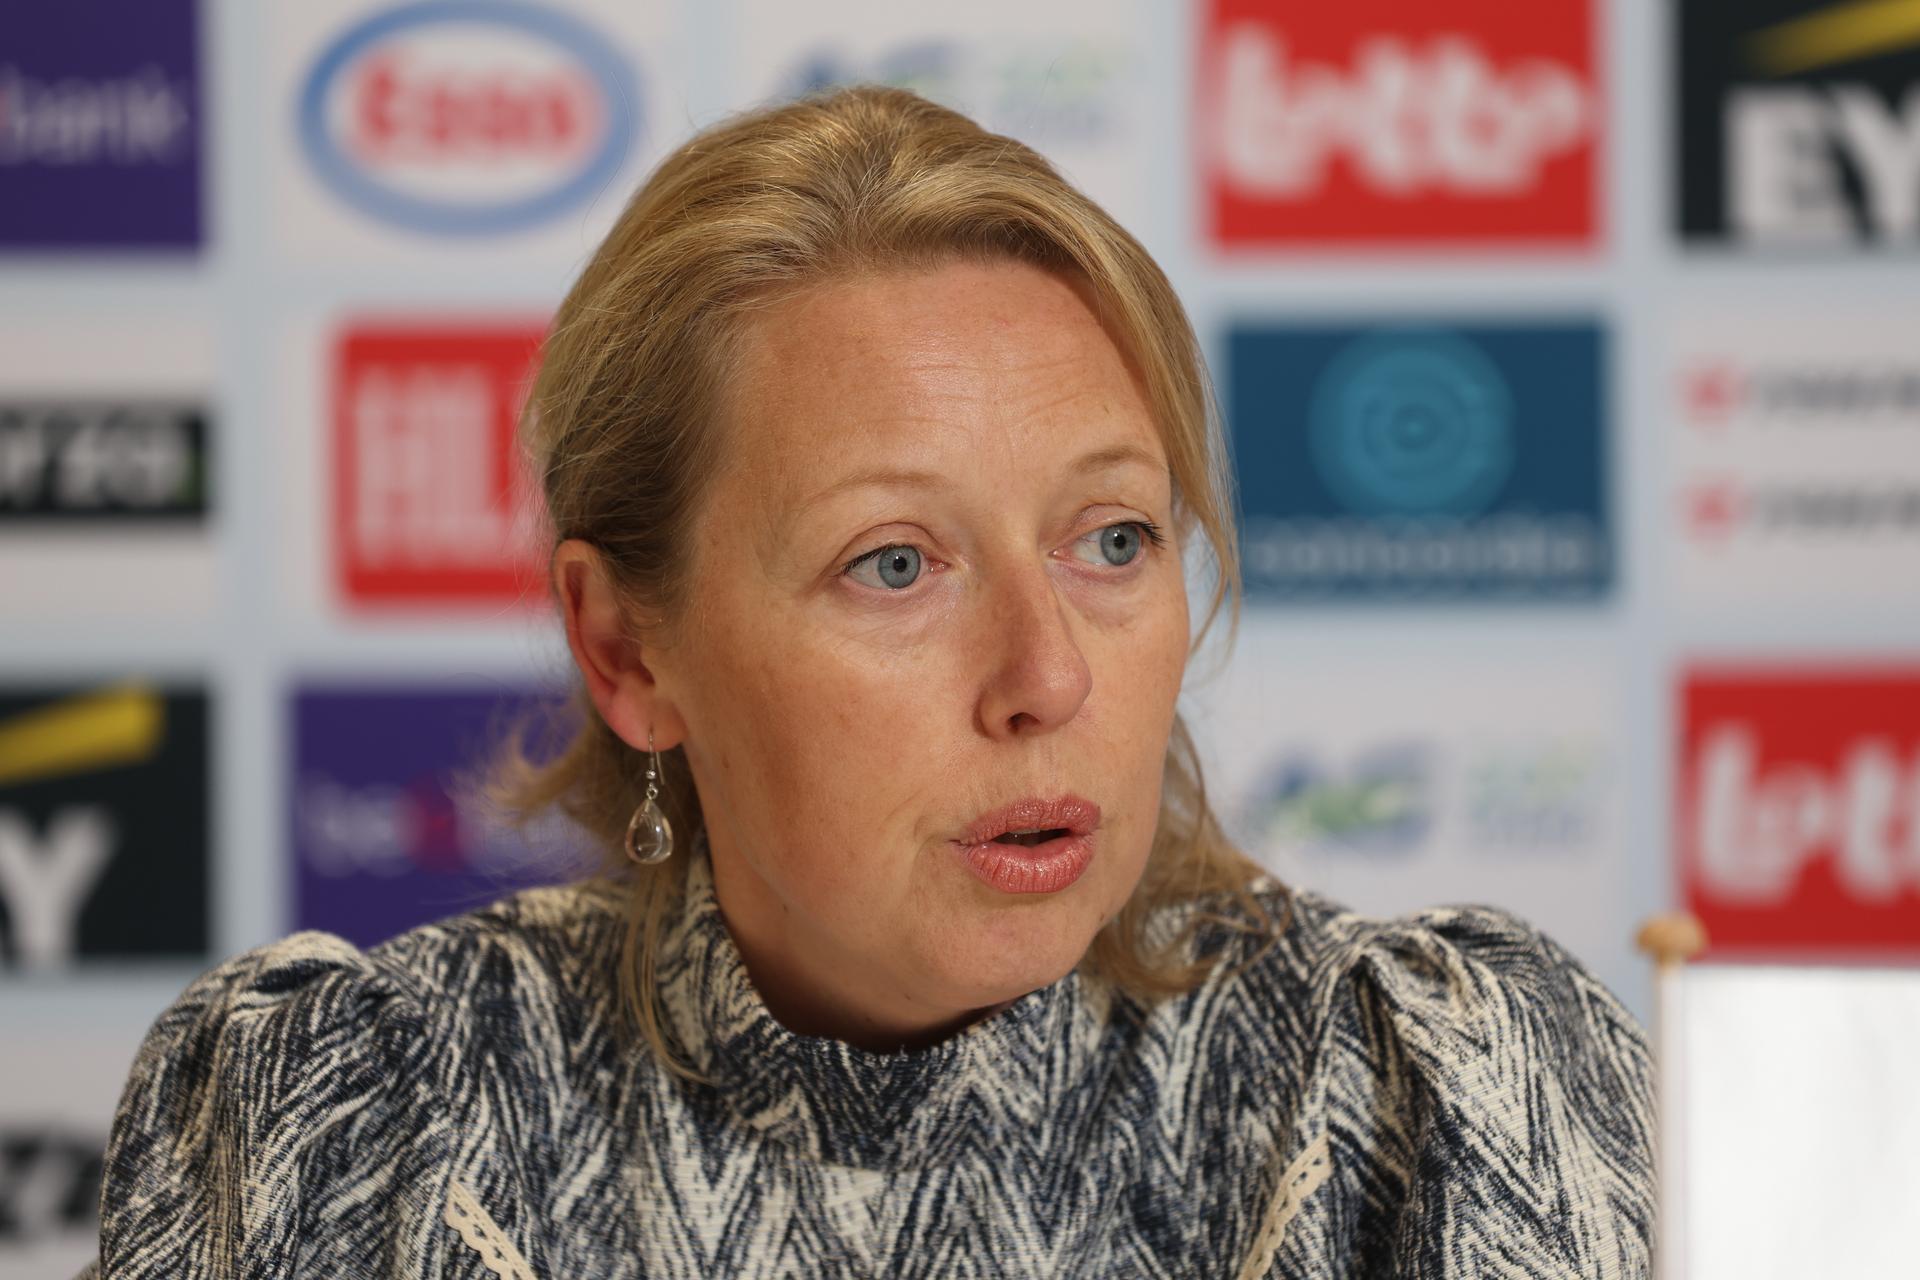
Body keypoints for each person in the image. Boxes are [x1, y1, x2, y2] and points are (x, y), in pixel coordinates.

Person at [85, 86, 1656, 1278]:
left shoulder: (1423, 1095)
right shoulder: (360, 1121)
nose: (1047, 675)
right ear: (628, 650)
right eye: (895, 565)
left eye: (1112, 538)